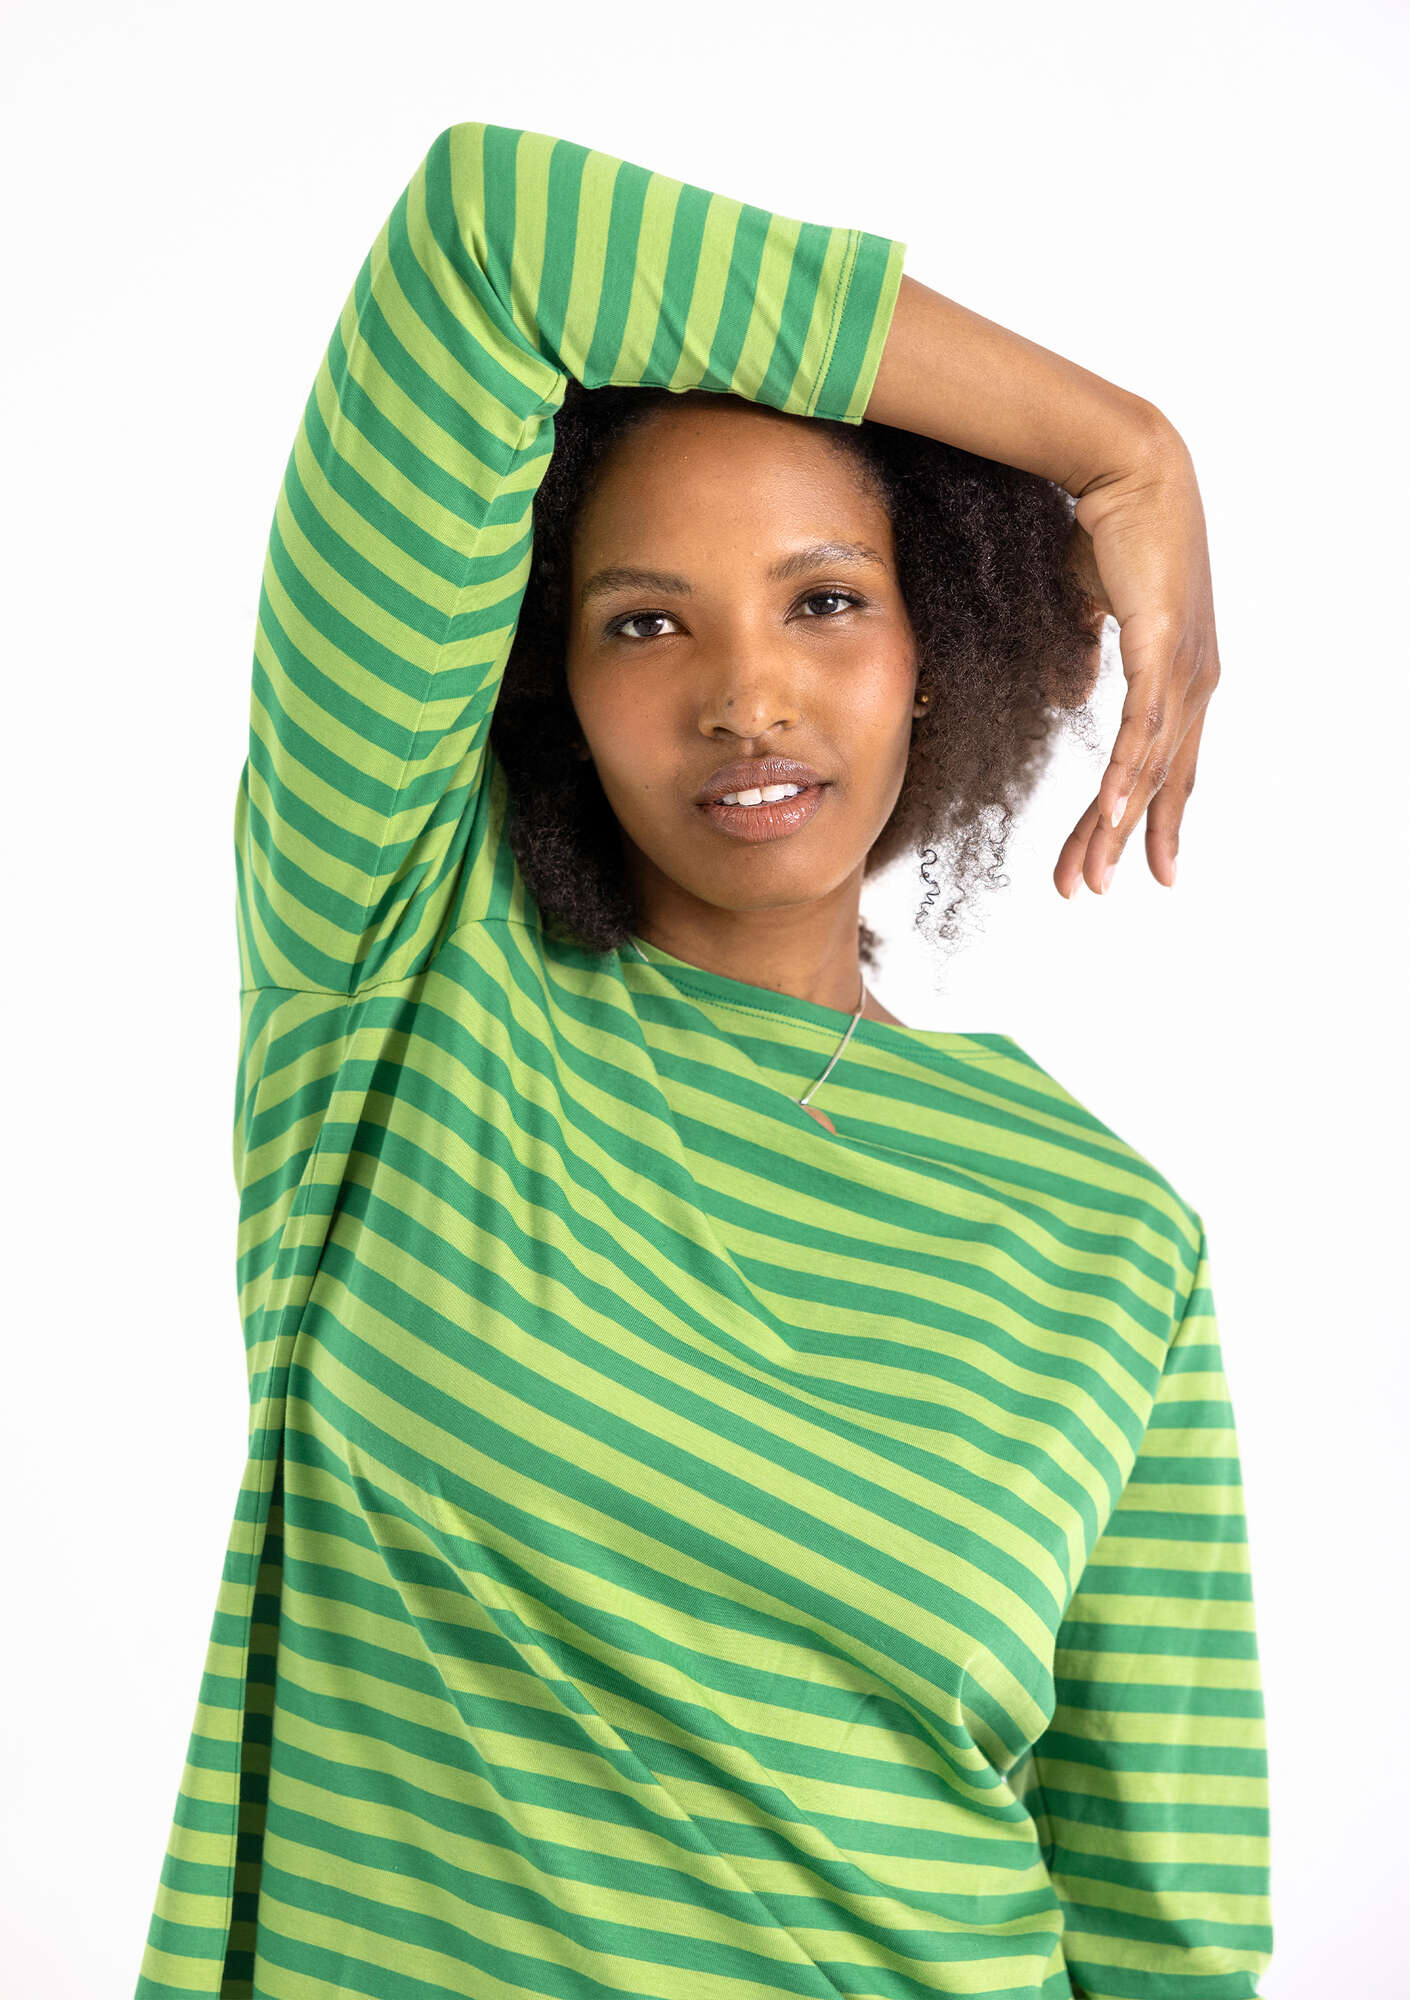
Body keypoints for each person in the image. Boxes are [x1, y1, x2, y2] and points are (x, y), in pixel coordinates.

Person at [133, 121, 1272, 2000]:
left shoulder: (1104, 1234)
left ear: (936, 646)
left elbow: (1167, 1926)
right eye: (644, 621)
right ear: (547, 677)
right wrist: (1120, 451)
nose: (746, 694)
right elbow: (488, 236)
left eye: (826, 601)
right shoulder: (402, 988)